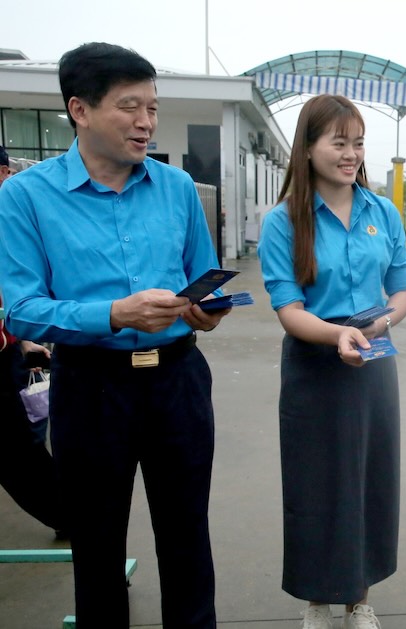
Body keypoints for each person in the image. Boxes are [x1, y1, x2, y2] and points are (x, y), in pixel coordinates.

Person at [0, 42, 230, 627]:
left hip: (178, 380)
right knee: (96, 545)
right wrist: (113, 315)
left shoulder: (177, 187)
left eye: (152, 107)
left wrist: (206, 311)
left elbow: (202, 283)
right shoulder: (25, 196)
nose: (146, 122)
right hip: (91, 388)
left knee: (187, 538)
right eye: (130, 106)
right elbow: (22, 309)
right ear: (79, 109)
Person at [258, 93, 406, 629]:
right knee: (316, 486)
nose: (351, 154)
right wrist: (338, 335)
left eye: (358, 143)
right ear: (307, 148)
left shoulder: (381, 211)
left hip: (373, 365)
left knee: (369, 483)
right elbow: (288, 309)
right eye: (338, 142)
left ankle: (359, 600)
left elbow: (402, 292)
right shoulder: (284, 222)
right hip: (313, 370)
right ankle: (318, 601)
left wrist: (379, 325)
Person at [0, 295, 64, 535]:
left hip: (6, 356)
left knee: (20, 448)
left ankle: (69, 516)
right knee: (18, 450)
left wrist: (24, 342)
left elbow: (8, 300)